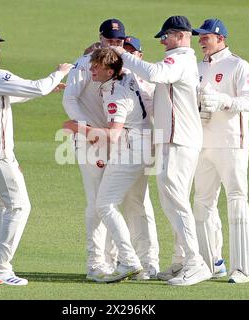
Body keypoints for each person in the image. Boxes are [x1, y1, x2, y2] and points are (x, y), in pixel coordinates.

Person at [0, 27, 73, 286]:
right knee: (20, 206)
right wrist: (59, 73)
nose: (0, 49)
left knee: (6, 205)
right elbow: (36, 87)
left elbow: (3, 97)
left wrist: (47, 88)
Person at [112, 15, 212, 286]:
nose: (162, 41)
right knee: (173, 201)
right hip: (176, 139)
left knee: (175, 201)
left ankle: (195, 262)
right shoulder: (181, 59)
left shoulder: (178, 58)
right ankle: (182, 262)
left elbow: (155, 73)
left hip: (179, 140)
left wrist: (122, 54)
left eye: (165, 35)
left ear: (180, 35)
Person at [62, 19, 159, 281]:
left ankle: (143, 263)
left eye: (119, 41)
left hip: (121, 141)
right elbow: (70, 97)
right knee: (99, 203)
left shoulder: (125, 67)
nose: (115, 45)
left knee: (133, 203)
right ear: (100, 39)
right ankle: (98, 264)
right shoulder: (85, 65)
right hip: (99, 142)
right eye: (110, 41)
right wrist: (87, 129)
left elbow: (148, 100)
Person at [192, 18, 249, 283]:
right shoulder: (196, 67)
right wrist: (199, 109)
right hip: (203, 143)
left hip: (231, 143)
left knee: (236, 200)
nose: (201, 40)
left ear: (220, 38)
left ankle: (241, 269)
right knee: (201, 202)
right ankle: (209, 264)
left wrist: (223, 101)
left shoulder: (238, 65)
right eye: (200, 37)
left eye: (206, 37)